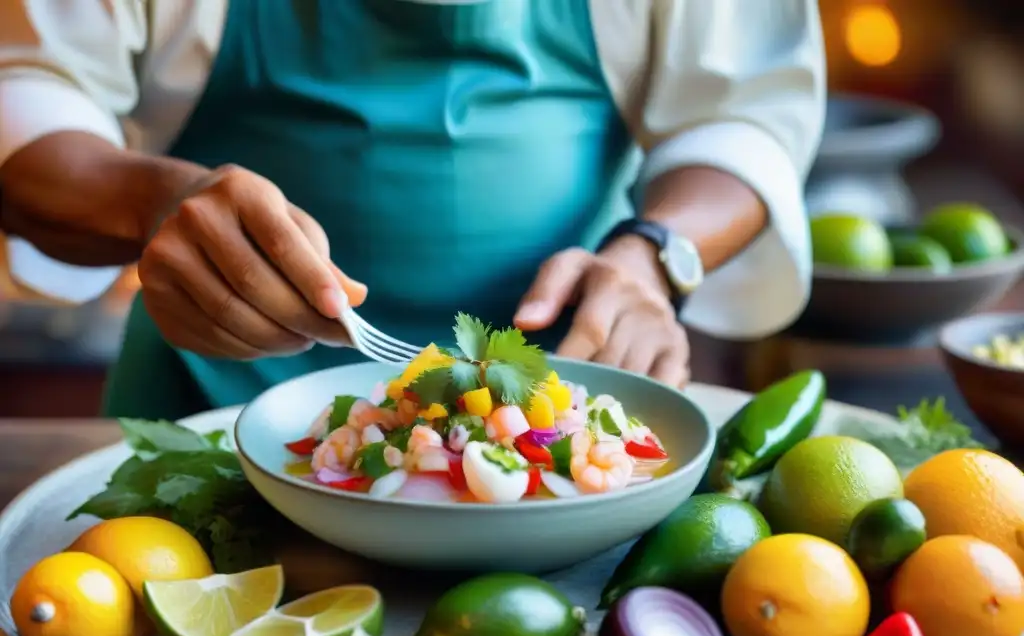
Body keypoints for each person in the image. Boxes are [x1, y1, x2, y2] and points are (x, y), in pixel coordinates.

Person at [0, 0, 824, 420]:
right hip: (210, 408)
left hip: (560, 414)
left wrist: (652, 252)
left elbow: (742, 111)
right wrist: (156, 201)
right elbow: (28, 93)